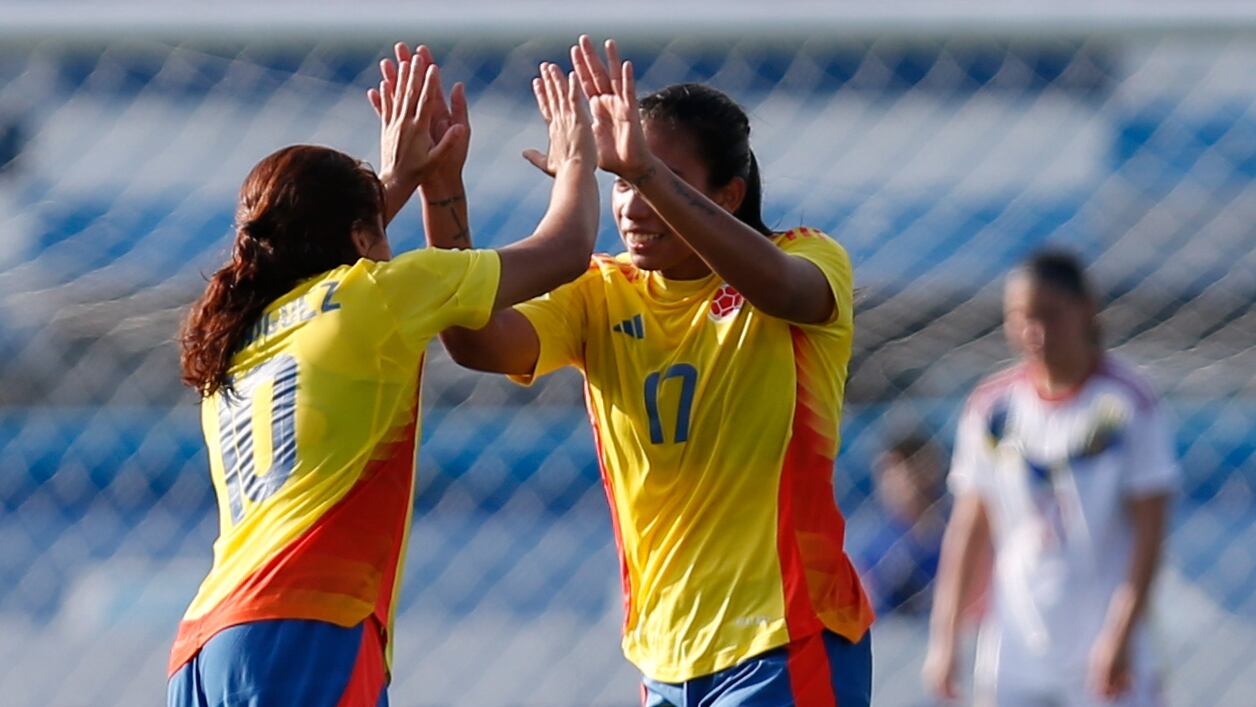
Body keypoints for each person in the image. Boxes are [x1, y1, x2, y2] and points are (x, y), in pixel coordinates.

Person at [390, 36, 874, 706]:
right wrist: (444, 196)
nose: (632, 204)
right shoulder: (601, 289)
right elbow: (478, 344)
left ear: (728, 195)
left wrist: (647, 171)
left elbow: (786, 292)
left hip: (786, 637)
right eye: (618, 182)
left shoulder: (808, 258)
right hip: (663, 657)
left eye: (658, 181)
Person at [167, 53, 599, 707]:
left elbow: (327, 258)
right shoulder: (380, 295)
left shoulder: (242, 331)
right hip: (306, 625)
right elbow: (567, 248)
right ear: (364, 232)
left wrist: (412, 179)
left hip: (205, 646)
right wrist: (578, 161)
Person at [922, 250, 1178, 706]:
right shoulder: (992, 407)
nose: (1033, 332)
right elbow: (969, 529)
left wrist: (1121, 634)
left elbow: (1150, 532)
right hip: (1015, 647)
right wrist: (946, 641)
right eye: (1020, 318)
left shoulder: (1127, 402)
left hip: (1103, 646)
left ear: (1086, 310)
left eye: (1049, 316)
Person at [857, 433, 948, 616]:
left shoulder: (956, 533)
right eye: (884, 473)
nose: (887, 483)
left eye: (896, 470)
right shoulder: (874, 544)